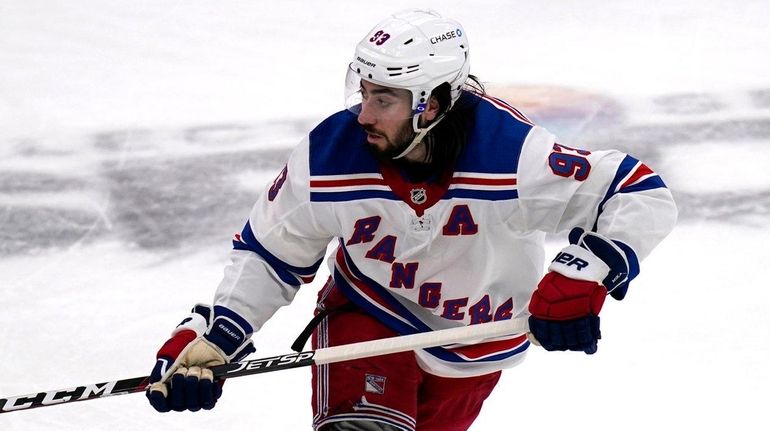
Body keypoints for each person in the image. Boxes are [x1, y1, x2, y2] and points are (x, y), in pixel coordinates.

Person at [145, 8, 677, 431]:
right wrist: (215, 335)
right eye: (364, 93)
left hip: (475, 346)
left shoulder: (512, 155)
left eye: (385, 100)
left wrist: (581, 276)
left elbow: (637, 191)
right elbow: (271, 251)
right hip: (368, 315)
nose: (365, 114)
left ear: (434, 103)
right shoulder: (330, 155)